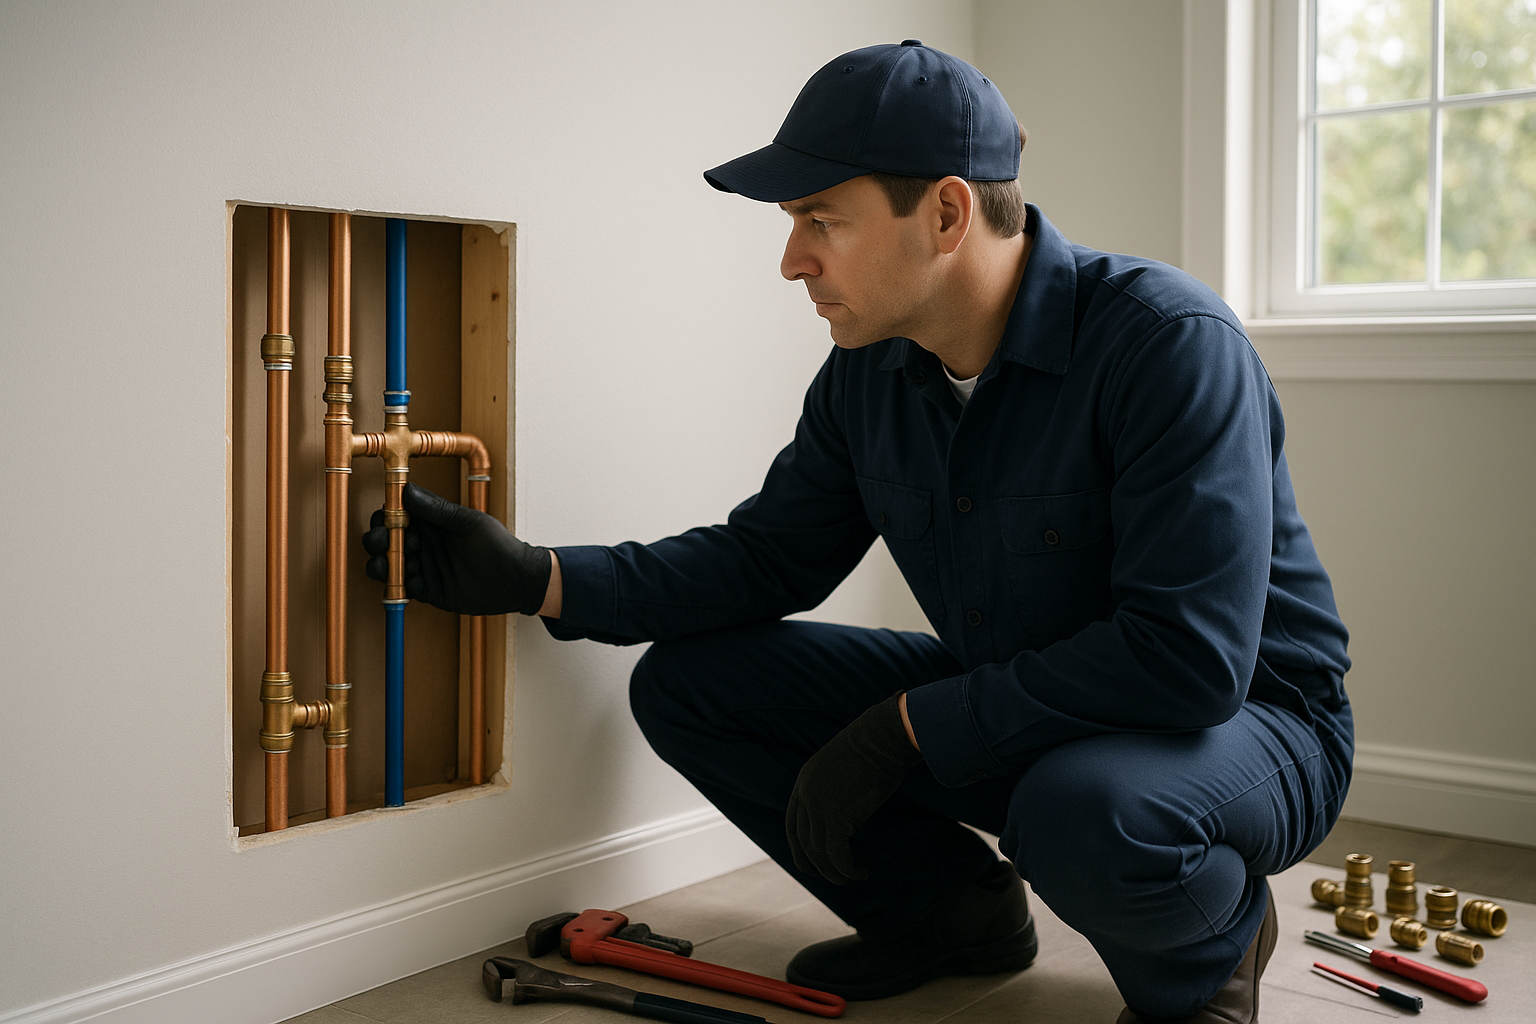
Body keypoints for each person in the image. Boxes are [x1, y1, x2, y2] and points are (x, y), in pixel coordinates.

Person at [363, 40, 1353, 1024]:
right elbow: (768, 558)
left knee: (1081, 806)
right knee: (692, 686)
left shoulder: (1167, 345)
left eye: (820, 219)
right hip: (1030, 708)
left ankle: (1209, 958)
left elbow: (1186, 662)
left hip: (1242, 729)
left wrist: (908, 727)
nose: (792, 259)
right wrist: (535, 578)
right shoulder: (869, 373)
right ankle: (947, 916)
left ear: (948, 213)